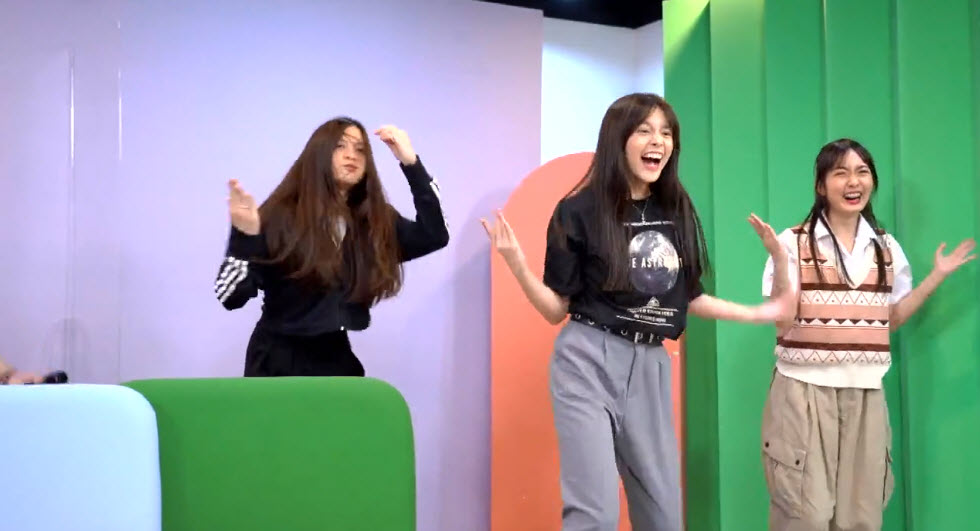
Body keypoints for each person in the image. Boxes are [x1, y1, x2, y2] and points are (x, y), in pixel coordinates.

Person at [482, 92, 795, 531]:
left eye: (666, 133)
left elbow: (689, 297)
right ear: (619, 139)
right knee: (595, 514)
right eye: (645, 130)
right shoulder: (578, 210)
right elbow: (556, 310)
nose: (658, 141)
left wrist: (763, 312)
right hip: (586, 360)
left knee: (663, 515)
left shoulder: (675, 208)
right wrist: (516, 264)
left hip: (650, 365)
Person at [759, 138, 975, 530]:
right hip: (803, 392)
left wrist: (936, 276)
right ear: (821, 185)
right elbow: (780, 319)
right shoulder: (791, 242)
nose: (853, 182)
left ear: (872, 181)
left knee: (861, 516)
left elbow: (889, 320)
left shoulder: (886, 248)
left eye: (862, 172)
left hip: (866, 392)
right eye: (840, 173)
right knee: (805, 516)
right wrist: (777, 257)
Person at [215, 117, 449, 377]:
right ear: (319, 154)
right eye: (340, 146)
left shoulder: (373, 221)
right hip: (276, 360)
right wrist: (243, 237)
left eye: (360, 149)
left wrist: (411, 163)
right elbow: (230, 296)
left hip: (335, 356)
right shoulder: (279, 215)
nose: (352, 155)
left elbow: (435, 234)